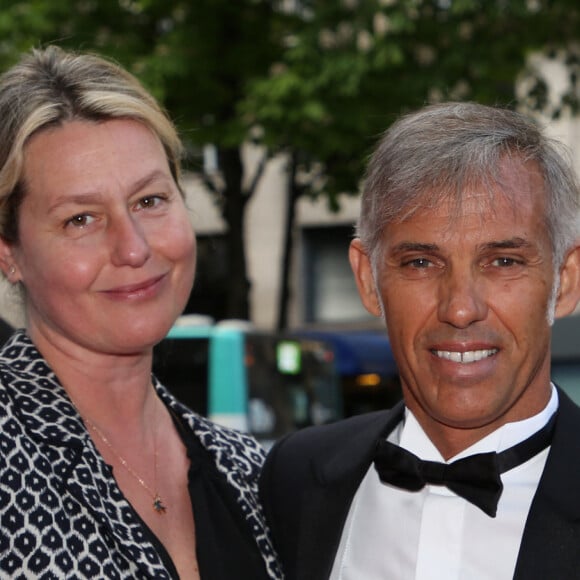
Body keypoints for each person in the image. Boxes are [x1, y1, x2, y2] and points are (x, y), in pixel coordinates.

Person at [259, 102, 580, 579]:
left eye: (503, 262)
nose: (460, 308)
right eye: (421, 263)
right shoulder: (297, 479)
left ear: (565, 281)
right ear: (368, 280)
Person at [0, 46, 282, 580]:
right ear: (9, 252)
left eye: (150, 201)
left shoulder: (247, 471)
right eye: (80, 218)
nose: (133, 248)